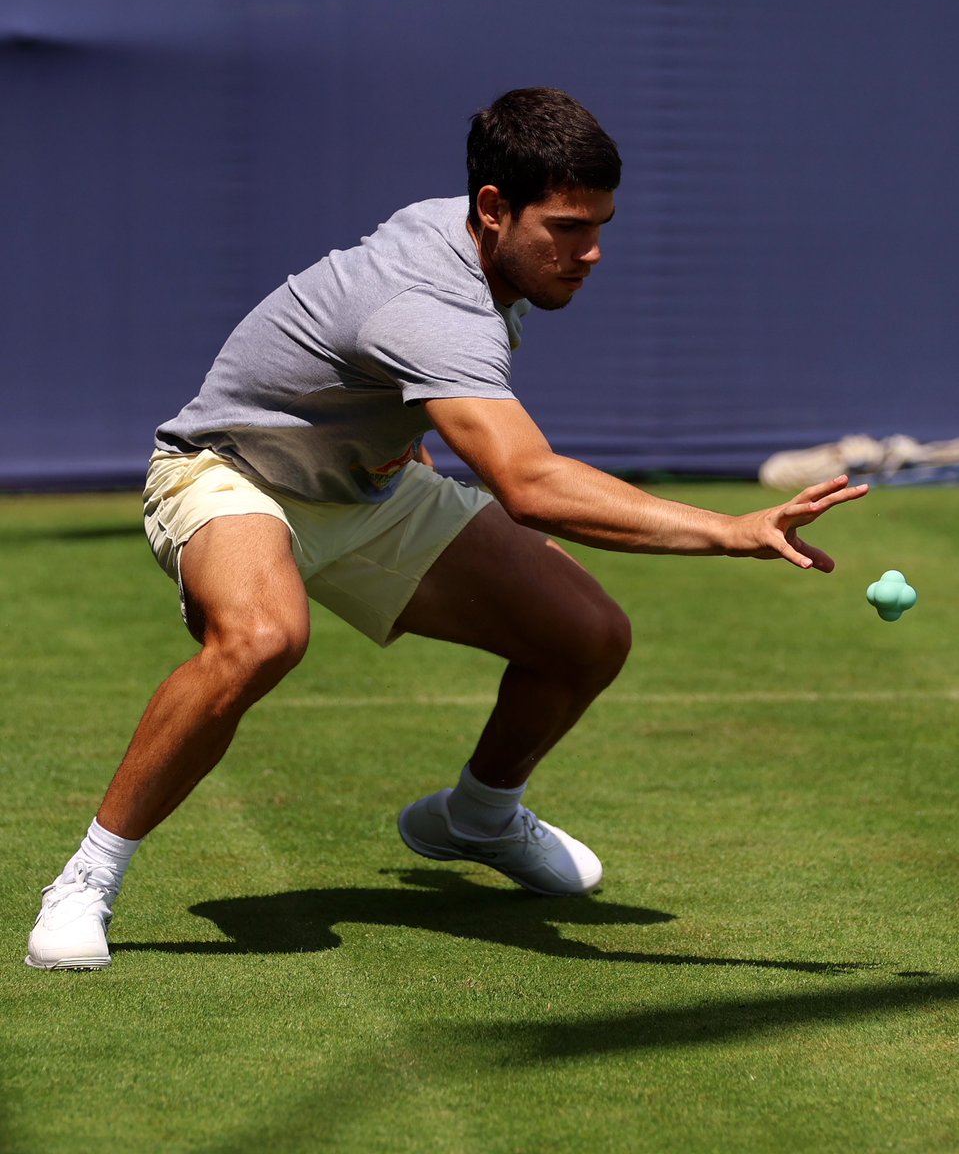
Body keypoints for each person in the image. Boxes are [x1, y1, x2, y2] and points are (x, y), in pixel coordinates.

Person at [26, 87, 868, 970]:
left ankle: (478, 818)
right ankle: (88, 878)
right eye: (569, 229)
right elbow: (532, 485)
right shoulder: (428, 301)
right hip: (230, 475)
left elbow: (394, 385)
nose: (591, 253)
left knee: (586, 637)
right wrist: (731, 530)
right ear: (494, 209)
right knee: (264, 637)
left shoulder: (471, 236)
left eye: (600, 226)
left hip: (371, 487)